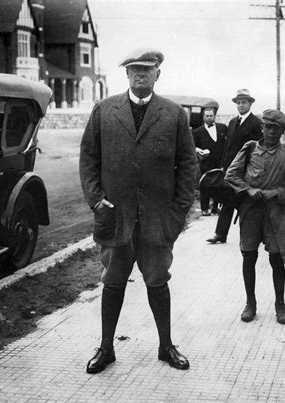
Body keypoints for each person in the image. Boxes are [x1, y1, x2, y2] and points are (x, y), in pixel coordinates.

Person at [79, 48, 197, 374]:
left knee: (158, 280)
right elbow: (89, 160)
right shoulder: (104, 111)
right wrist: (96, 200)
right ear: (126, 74)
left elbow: (189, 166)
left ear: (158, 73)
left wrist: (178, 211)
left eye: (147, 69)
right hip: (115, 217)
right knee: (112, 282)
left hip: (158, 221)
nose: (140, 75)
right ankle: (105, 349)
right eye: (133, 70)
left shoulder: (173, 115)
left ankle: (166, 346)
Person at [225, 109, 285, 324]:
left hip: (275, 214)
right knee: (248, 256)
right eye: (267, 127)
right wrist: (248, 190)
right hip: (250, 212)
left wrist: (274, 193)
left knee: (276, 259)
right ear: (262, 127)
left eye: (275, 128)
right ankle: (250, 303)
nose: (270, 132)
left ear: (282, 131)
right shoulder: (250, 148)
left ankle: (280, 304)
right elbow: (231, 174)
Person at [206, 89, 262, 244]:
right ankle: (221, 234)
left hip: (246, 171)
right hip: (231, 171)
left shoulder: (256, 124)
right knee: (228, 201)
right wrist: (223, 166)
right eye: (238, 103)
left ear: (250, 104)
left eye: (244, 102)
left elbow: (259, 150)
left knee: (246, 204)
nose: (241, 105)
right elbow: (227, 147)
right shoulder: (232, 123)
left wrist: (254, 171)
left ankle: (253, 235)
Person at [192, 107, 227, 216]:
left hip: (219, 162)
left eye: (211, 115)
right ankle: (204, 208)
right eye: (207, 116)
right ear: (203, 117)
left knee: (219, 184)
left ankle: (215, 208)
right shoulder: (198, 132)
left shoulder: (222, 128)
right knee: (205, 185)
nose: (209, 118)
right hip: (206, 163)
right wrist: (199, 151)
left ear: (214, 116)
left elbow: (227, 143)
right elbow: (193, 146)